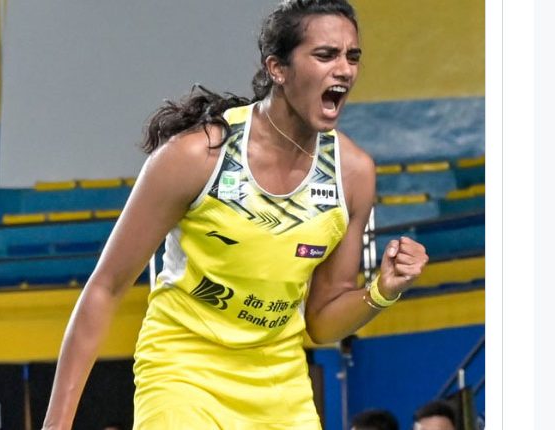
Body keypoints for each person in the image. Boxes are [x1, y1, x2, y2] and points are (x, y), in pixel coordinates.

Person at [42, 1, 429, 429]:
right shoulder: (198, 156)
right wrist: (56, 424)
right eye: (325, 55)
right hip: (184, 371)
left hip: (279, 384)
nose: (345, 70)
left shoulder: (353, 174)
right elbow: (106, 287)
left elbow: (321, 322)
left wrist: (382, 290)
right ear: (277, 69)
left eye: (352, 57)